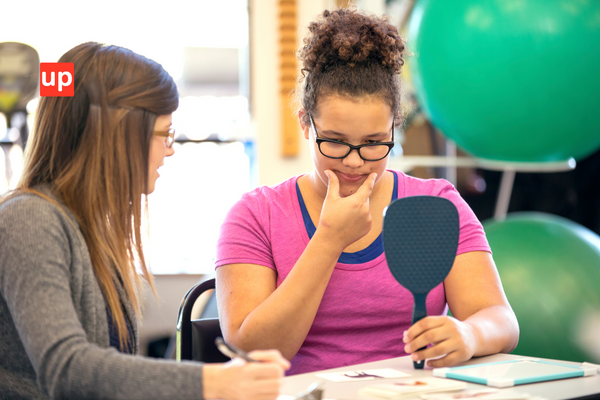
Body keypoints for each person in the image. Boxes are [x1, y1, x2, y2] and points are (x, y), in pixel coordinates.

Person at [215, 8, 519, 376]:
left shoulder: (435, 204)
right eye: (336, 142)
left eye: (374, 143)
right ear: (305, 124)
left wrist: (470, 334)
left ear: (395, 126)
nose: (355, 162)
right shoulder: (255, 215)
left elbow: (500, 319)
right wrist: (329, 239)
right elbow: (251, 350)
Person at [0, 42, 289, 400]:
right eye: (164, 134)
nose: (169, 150)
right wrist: (213, 383)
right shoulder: (29, 219)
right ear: (118, 133)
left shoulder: (90, 230)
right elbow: (67, 368)